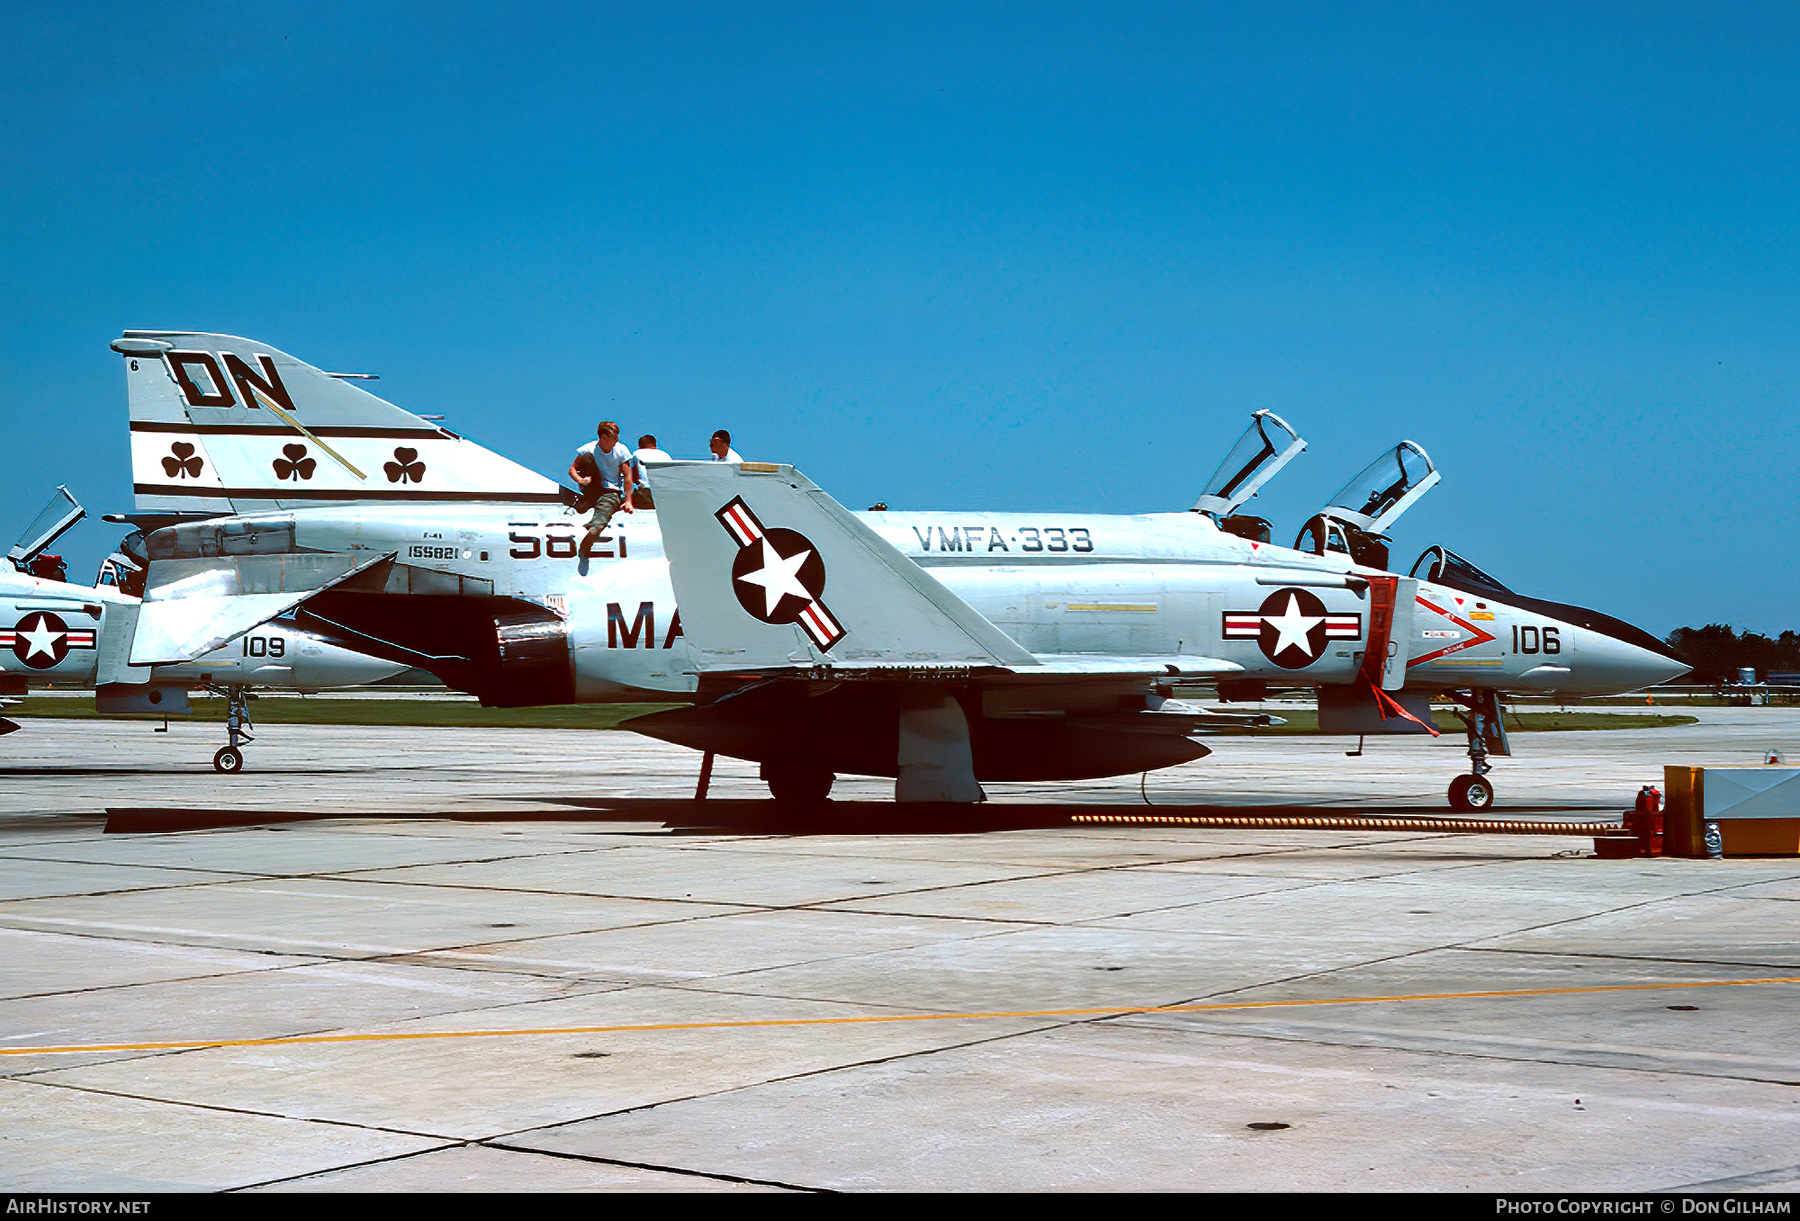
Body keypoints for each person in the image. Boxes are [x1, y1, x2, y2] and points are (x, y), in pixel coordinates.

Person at [569, 421, 635, 548]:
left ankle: (596, 526)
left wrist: (628, 501)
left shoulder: (621, 450)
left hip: (610, 490)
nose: (617, 439)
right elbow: (572, 469)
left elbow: (628, 476)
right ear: (604, 438)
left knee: (607, 504)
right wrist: (580, 480)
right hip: (592, 487)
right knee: (587, 457)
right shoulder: (589, 449)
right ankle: (586, 501)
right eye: (614, 436)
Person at [631, 433, 671, 509]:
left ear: (640, 446)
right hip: (663, 491)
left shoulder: (637, 454)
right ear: (655, 445)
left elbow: (634, 475)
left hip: (645, 491)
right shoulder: (665, 455)